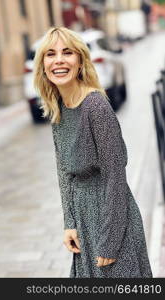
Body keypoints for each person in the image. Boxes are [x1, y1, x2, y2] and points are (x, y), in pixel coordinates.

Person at [33, 27, 153, 278]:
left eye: (67, 53)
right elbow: (64, 171)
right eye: (50, 54)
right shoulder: (59, 109)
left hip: (112, 221)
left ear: (80, 62)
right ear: (43, 65)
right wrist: (70, 223)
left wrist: (110, 240)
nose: (59, 60)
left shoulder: (95, 106)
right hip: (84, 222)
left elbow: (115, 176)